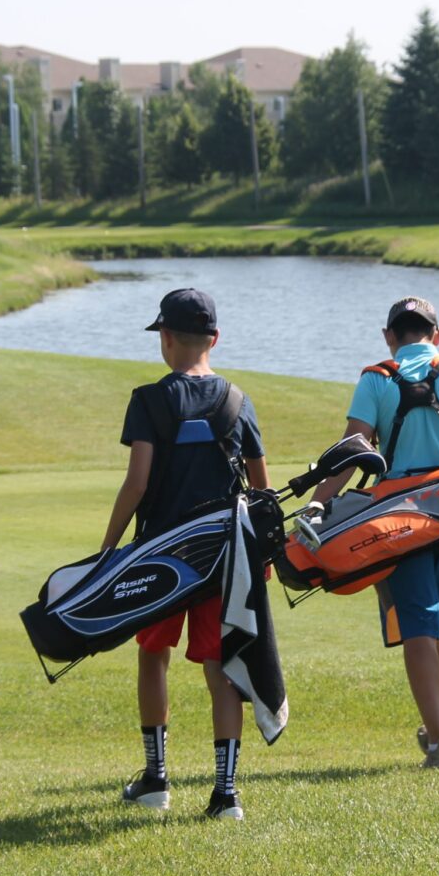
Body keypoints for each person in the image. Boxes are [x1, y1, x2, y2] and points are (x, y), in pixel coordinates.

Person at [310, 296, 439, 770]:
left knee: (419, 624)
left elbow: (352, 451)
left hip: (398, 520)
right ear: (436, 334)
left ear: (389, 336)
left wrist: (318, 506)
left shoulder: (376, 379)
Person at [100, 287, 269, 820]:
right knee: (221, 666)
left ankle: (156, 780)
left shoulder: (148, 400)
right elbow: (262, 492)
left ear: (166, 338)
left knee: (153, 656)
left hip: (160, 557)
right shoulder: (239, 401)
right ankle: (225, 794)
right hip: (222, 560)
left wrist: (108, 549)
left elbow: (137, 483)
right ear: (214, 339)